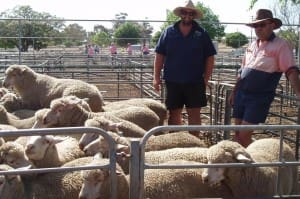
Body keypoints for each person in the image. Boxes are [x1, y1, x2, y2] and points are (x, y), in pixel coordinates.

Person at [229, 9, 300, 147]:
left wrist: (298, 92)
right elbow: (242, 71)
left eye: (262, 24)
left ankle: (256, 164)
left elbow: (290, 69)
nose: (259, 28)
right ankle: (242, 166)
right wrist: (234, 91)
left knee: (244, 135)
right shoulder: (251, 45)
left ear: (272, 25)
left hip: (259, 96)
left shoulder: (281, 45)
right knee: (237, 134)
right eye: (256, 26)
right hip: (241, 94)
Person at [153, 0, 216, 136]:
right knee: (173, 113)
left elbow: (210, 57)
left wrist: (206, 79)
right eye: (185, 12)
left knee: (194, 114)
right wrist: (156, 78)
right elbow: (159, 55)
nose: (187, 15)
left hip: (194, 81)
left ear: (194, 15)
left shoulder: (202, 33)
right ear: (180, 13)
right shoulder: (168, 32)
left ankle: (193, 144)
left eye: (191, 13)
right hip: (173, 80)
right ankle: (176, 141)